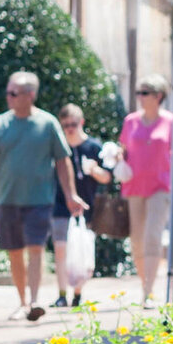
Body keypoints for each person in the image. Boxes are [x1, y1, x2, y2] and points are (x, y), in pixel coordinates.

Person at [0, 72, 82, 323]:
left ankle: (34, 301)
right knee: (14, 251)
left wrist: (70, 194)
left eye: (14, 93)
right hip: (8, 199)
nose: (8, 97)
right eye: (8, 92)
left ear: (30, 95)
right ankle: (22, 302)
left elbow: (63, 161)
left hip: (40, 200)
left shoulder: (48, 123)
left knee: (35, 247)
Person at [117, 77, 172, 305]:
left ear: (158, 96)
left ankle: (148, 291)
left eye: (145, 92)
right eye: (138, 92)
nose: (140, 97)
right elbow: (123, 149)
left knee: (153, 236)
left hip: (160, 186)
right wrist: (118, 159)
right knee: (137, 240)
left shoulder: (170, 122)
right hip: (134, 185)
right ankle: (144, 284)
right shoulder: (130, 121)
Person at [54, 103, 110, 310]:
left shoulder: (93, 147)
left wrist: (94, 170)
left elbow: (107, 178)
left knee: (84, 253)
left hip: (87, 209)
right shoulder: (58, 148)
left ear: (82, 123)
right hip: (60, 206)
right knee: (61, 249)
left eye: (73, 124)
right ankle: (61, 295)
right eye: (66, 125)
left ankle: (77, 293)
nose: (70, 128)